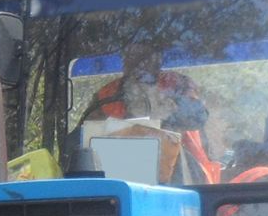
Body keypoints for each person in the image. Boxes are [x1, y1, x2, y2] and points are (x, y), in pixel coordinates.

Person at [83, 42, 221, 183]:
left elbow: (198, 117)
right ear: (124, 62)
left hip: (173, 166)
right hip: (117, 168)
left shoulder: (177, 85)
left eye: (144, 58)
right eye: (131, 57)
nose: (138, 63)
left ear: (158, 60)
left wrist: (172, 112)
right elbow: (83, 135)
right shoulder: (108, 93)